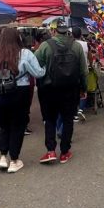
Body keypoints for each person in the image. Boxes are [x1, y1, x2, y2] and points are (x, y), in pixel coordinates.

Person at [0, 28, 45, 173]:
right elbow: (38, 73)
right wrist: (45, 67)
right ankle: (14, 160)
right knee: (18, 125)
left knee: (4, 125)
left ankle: (2, 157)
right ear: (18, 38)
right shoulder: (25, 53)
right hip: (19, 91)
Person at [34, 21, 87, 165]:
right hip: (71, 90)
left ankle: (51, 151)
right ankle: (65, 152)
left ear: (53, 31)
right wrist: (83, 88)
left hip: (49, 90)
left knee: (50, 119)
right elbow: (84, 70)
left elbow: (35, 63)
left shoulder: (45, 46)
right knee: (68, 119)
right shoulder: (76, 46)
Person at [72, 26, 90, 121]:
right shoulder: (86, 44)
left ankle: (74, 112)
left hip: (73, 72)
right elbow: (90, 57)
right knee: (84, 90)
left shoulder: (71, 44)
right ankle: (81, 109)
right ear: (81, 35)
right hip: (84, 70)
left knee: (74, 91)